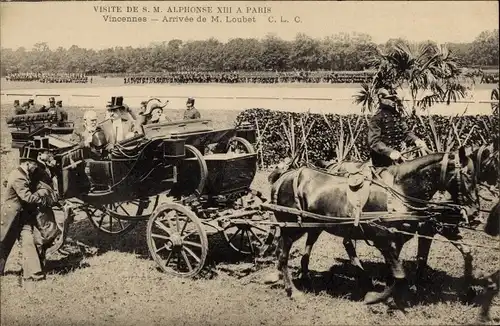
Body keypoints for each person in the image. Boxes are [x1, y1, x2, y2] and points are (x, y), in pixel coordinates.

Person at [0, 146, 52, 281]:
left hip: (21, 215)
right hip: (11, 216)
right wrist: (42, 194)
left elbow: (6, 182)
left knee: (28, 241)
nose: (36, 167)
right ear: (27, 163)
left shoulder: (21, 173)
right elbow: (28, 198)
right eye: (34, 164)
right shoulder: (19, 177)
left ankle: (35, 274)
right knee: (4, 243)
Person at [367, 88, 427, 167]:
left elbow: (405, 133)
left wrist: (416, 140)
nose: (393, 102)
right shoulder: (377, 118)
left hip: (399, 155)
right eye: (390, 99)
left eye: (394, 99)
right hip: (382, 159)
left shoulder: (396, 116)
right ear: (381, 99)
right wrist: (389, 152)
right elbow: (374, 141)